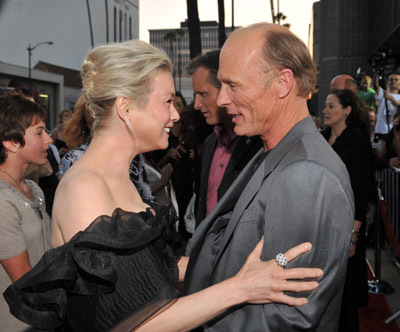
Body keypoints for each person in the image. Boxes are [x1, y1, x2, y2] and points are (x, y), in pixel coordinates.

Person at [4, 40, 322, 332]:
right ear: (126, 108)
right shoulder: (84, 189)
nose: (175, 115)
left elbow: (158, 267)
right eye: (167, 101)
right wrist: (242, 287)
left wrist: (244, 266)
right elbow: (139, 324)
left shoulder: (117, 179)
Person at [183, 23, 355, 332]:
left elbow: (288, 318)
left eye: (233, 85)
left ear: (282, 83)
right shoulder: (272, 150)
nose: (222, 99)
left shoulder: (307, 174)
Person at [186, 50, 263, 227]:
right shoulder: (209, 143)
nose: (197, 105)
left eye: (203, 94)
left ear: (226, 91)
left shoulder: (260, 144)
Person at [0, 92, 52, 331]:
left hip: (42, 317)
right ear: (11, 142)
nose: (49, 139)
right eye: (39, 132)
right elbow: (24, 279)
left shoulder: (32, 188)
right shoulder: (2, 199)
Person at [322, 89, 371, 332]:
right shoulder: (320, 138)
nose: (325, 111)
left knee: (344, 293)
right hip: (321, 223)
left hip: (345, 226)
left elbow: (360, 194)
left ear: (347, 111)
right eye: (325, 106)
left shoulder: (356, 143)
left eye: (331, 106)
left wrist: (353, 236)